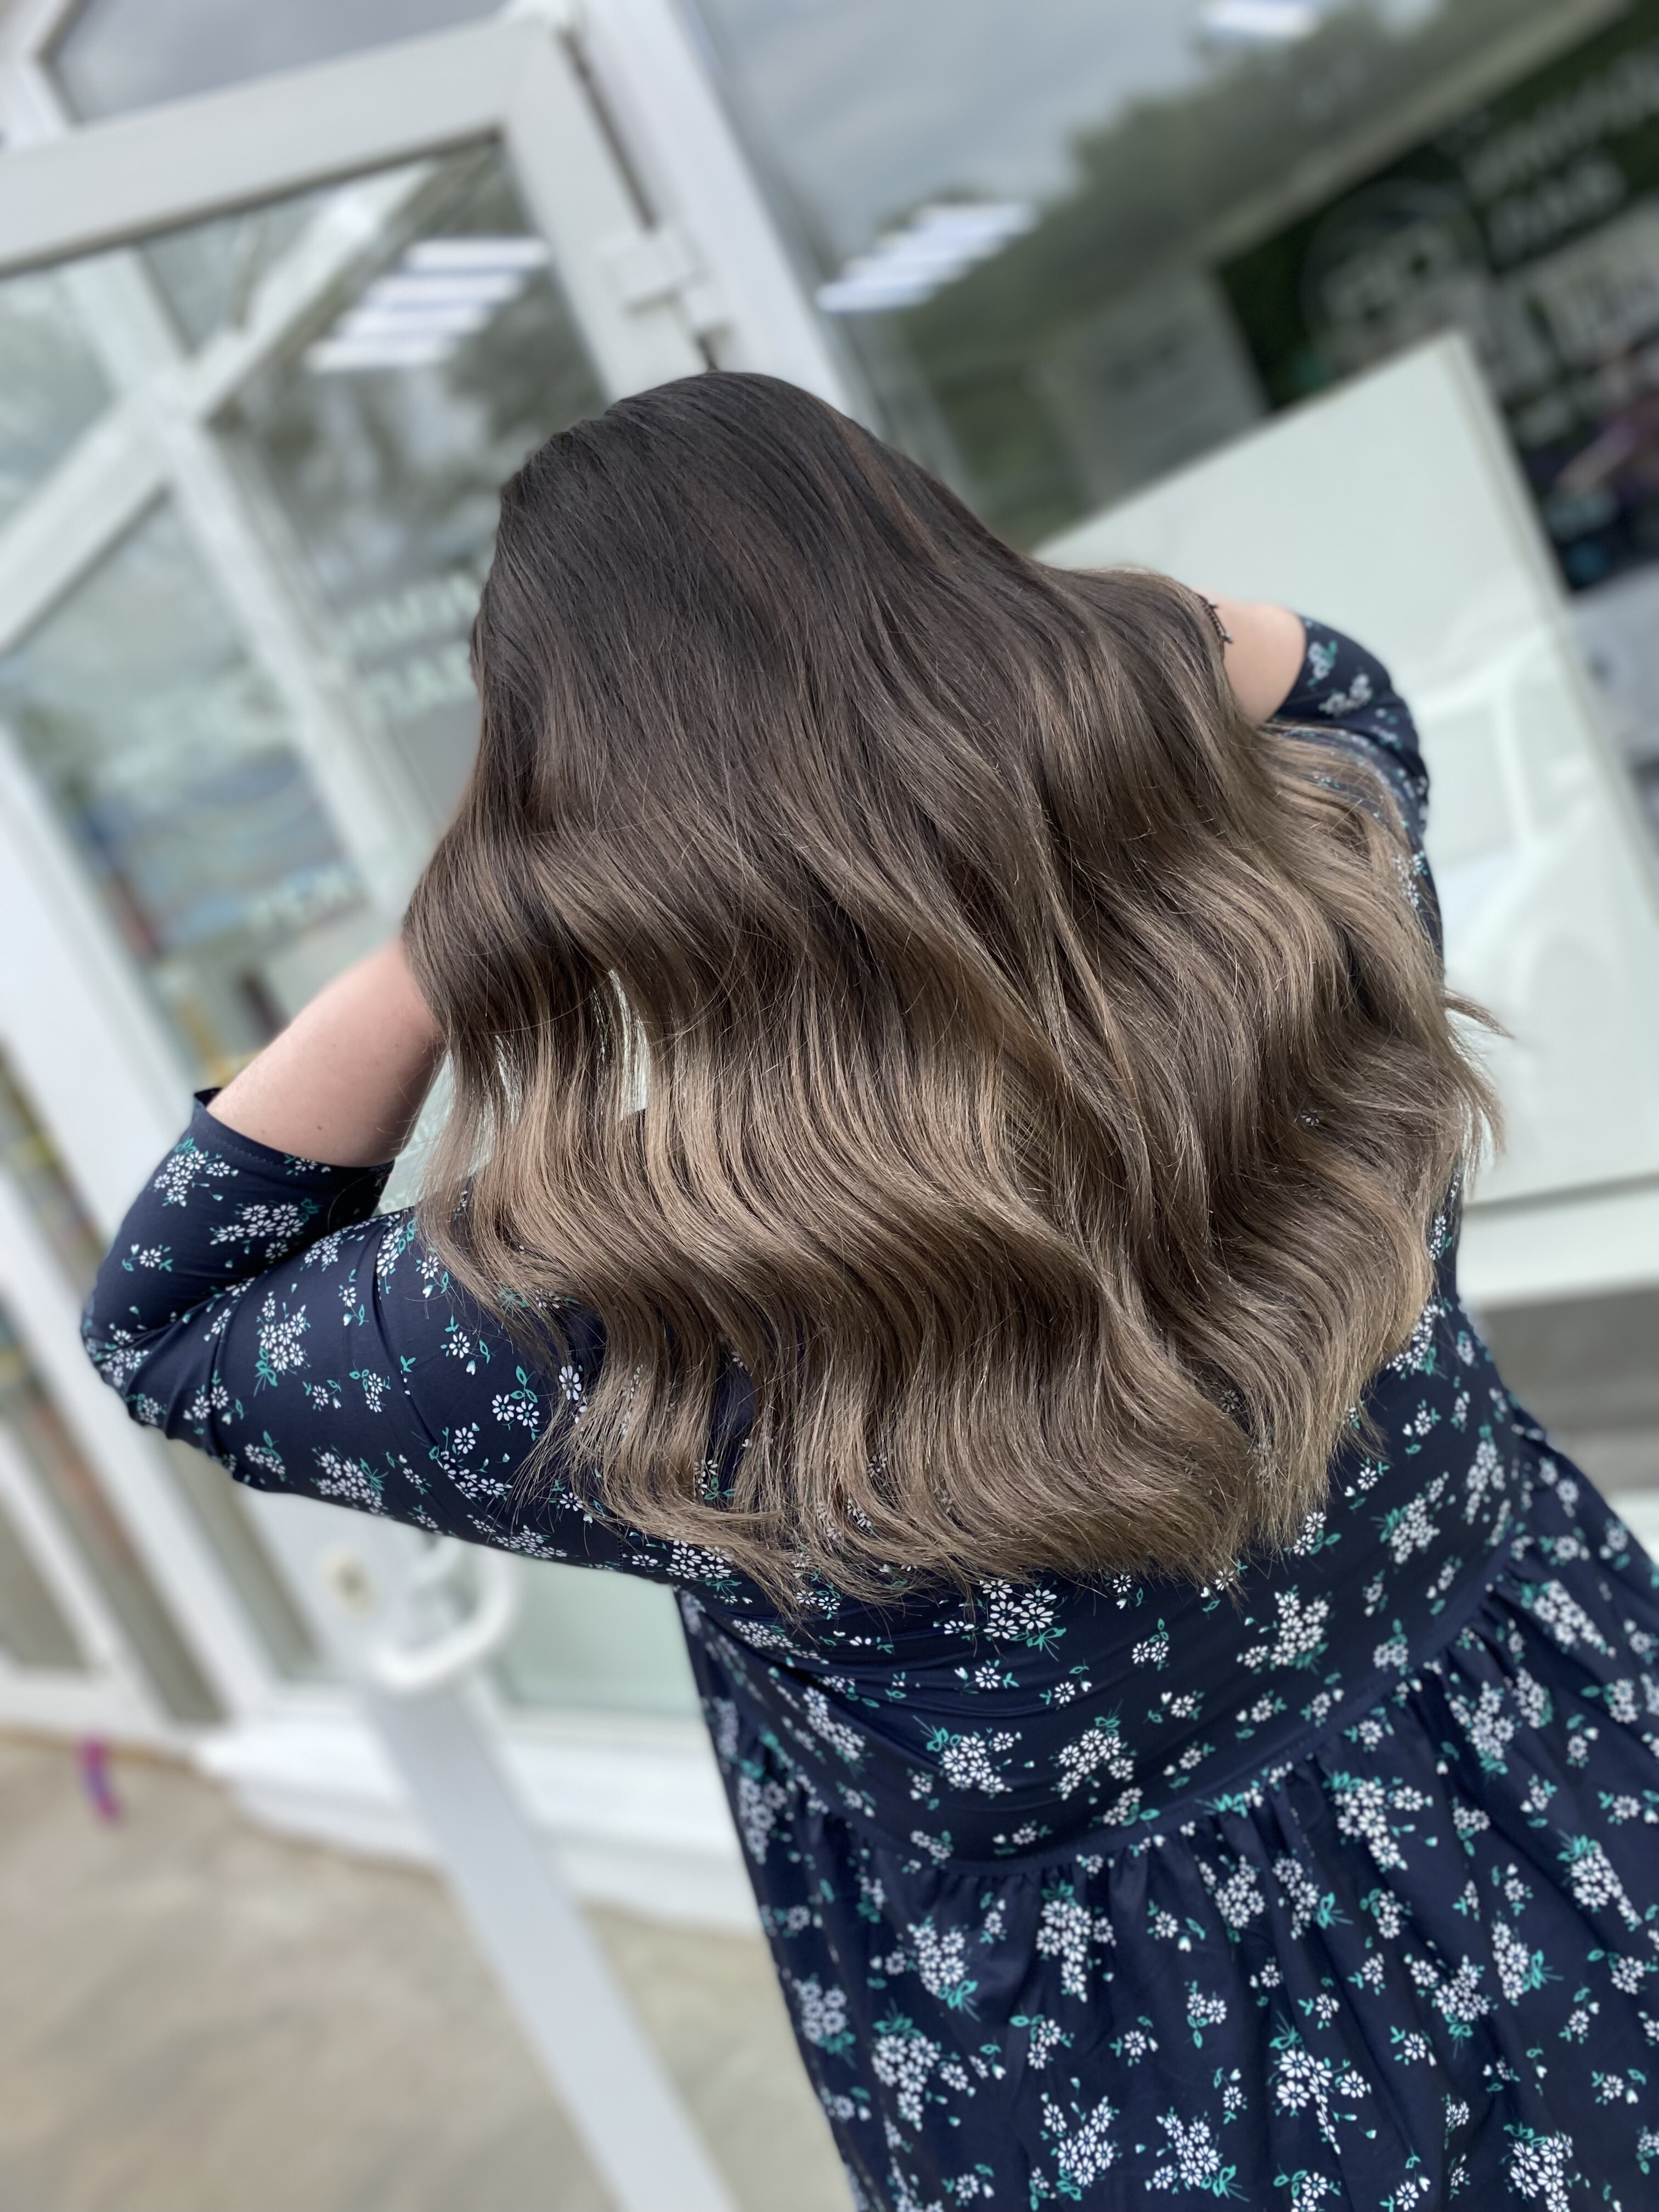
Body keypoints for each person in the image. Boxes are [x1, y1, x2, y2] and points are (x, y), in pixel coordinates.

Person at [84, 374, 1658, 2210]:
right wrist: (1046, 653)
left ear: (586, 828)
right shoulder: (1308, 942)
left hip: (1158, 2081)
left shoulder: (641, 1302)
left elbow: (172, 1315)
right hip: (1571, 1795)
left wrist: (470, 922)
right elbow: (1331, 682)